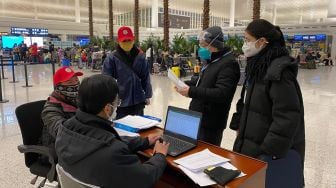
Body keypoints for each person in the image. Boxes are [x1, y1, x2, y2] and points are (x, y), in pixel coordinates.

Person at [55, 74, 169, 187]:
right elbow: (144, 178)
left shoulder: (65, 128)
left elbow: (99, 141)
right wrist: (159, 155)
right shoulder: (113, 152)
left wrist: (144, 141)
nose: (116, 106)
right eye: (116, 102)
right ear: (107, 108)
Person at [231, 19, 305, 186]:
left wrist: (268, 151)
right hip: (250, 143)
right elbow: (249, 102)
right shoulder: (258, 66)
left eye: (247, 40)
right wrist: (239, 126)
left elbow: (287, 116)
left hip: (263, 151)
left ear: (262, 41)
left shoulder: (278, 72)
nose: (245, 44)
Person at [175, 26, 240, 146]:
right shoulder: (212, 60)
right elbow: (204, 81)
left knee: (205, 156)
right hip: (197, 117)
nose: (201, 49)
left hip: (211, 123)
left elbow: (221, 93)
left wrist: (191, 91)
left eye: (204, 45)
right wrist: (185, 84)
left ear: (213, 44)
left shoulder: (229, 64)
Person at [103, 26, 152, 119]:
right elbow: (106, 80)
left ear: (133, 40)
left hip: (138, 99)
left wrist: (147, 95)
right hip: (121, 101)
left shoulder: (140, 56)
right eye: (124, 41)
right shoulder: (112, 58)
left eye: (129, 40)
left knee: (139, 126)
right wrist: (109, 100)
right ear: (118, 41)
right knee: (122, 128)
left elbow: (145, 77)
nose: (127, 43)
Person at [41, 67, 83, 151]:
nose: (75, 85)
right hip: (57, 150)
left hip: (77, 145)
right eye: (69, 82)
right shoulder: (50, 110)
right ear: (59, 87)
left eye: (76, 81)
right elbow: (62, 134)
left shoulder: (78, 101)